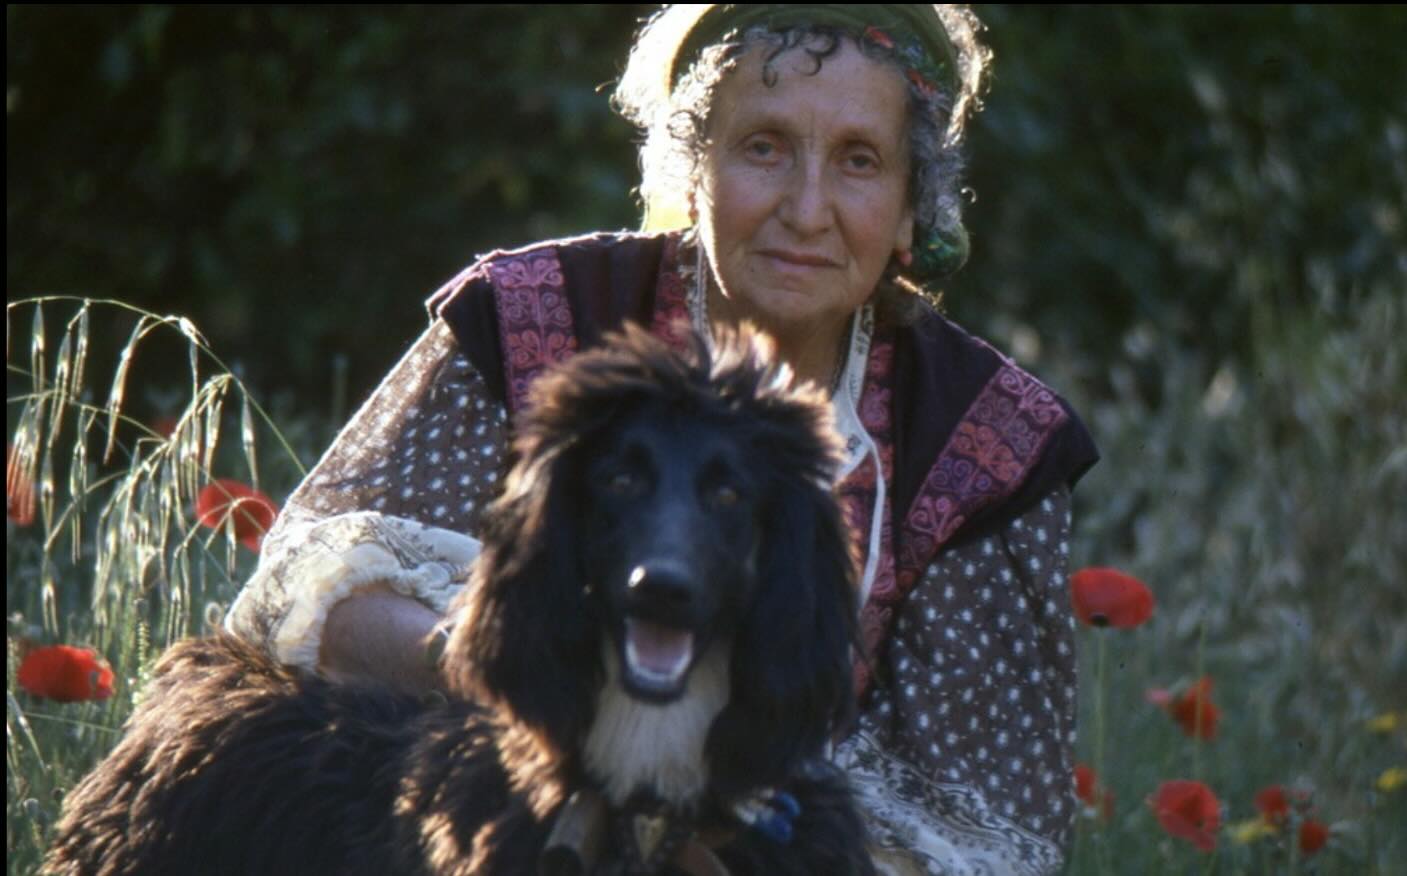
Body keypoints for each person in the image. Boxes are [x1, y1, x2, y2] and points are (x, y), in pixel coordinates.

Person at [225, 5, 1098, 873]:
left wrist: (730, 825)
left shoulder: (982, 441)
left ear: (914, 207)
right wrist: (551, 698)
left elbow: (980, 834)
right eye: (763, 147)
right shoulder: (536, 319)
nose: (806, 209)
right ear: (691, 169)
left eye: (859, 162)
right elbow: (311, 605)